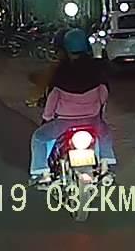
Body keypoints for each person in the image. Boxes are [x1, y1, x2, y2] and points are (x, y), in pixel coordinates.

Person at [28, 29, 116, 187]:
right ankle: (105, 167)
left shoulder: (61, 72)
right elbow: (103, 94)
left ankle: (42, 173)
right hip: (92, 121)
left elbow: (52, 99)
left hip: (64, 123)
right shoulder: (97, 69)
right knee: (105, 133)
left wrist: (47, 118)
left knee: (39, 138)